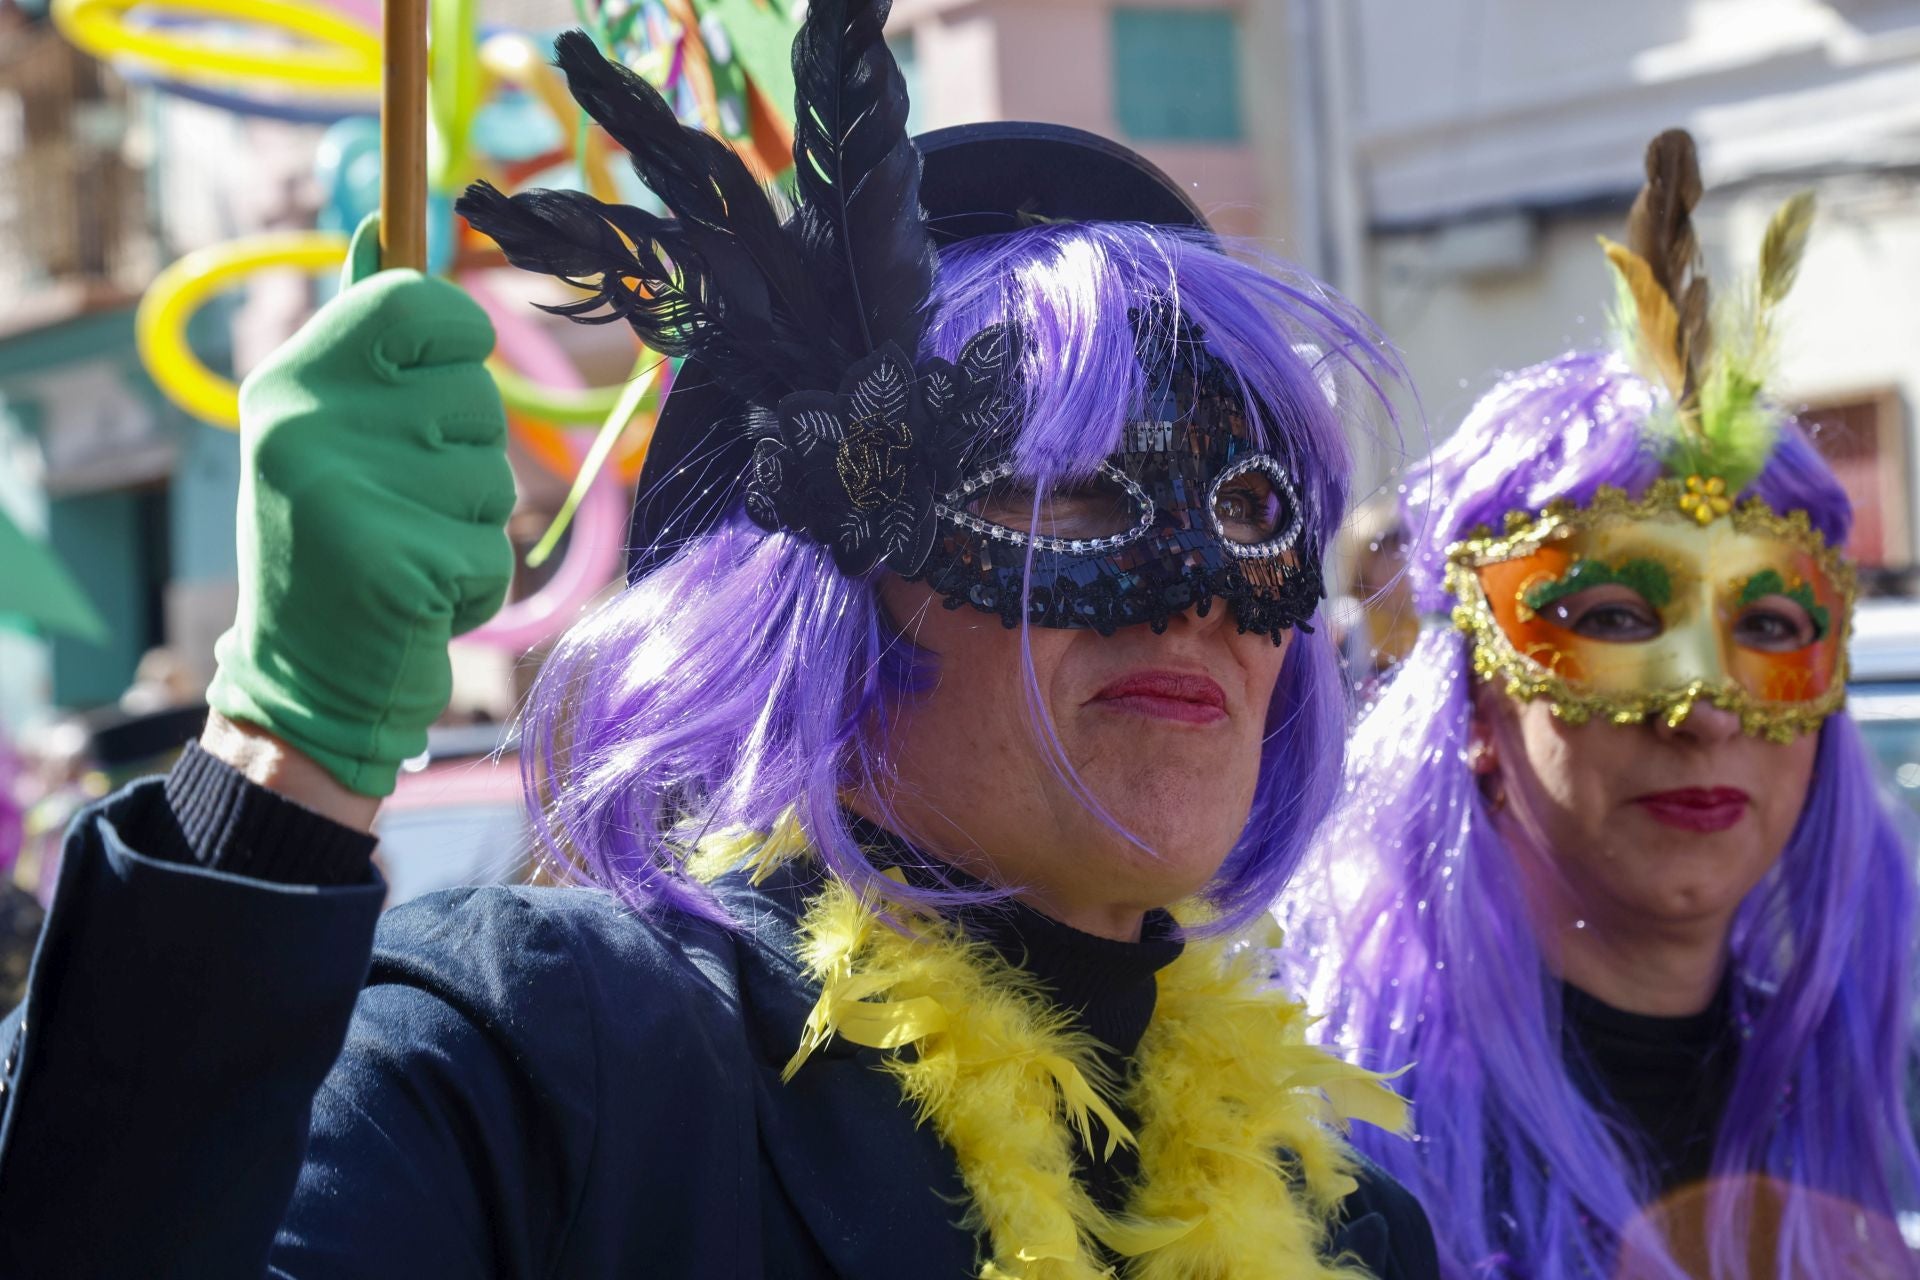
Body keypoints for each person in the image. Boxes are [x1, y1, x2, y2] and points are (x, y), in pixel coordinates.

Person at [0, 4, 1437, 1276]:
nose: (1195, 596)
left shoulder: (1347, 1224)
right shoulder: (538, 1073)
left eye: (1253, 506)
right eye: (1056, 494)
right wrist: (275, 774)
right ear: (814, 590)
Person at [1286, 130, 1920, 1278]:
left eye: (1771, 627)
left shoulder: (1895, 1099)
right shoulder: (1304, 1141)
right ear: (1474, 703)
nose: (1705, 713)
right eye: (1617, 617)